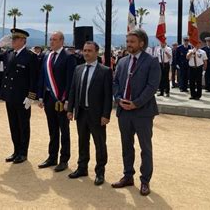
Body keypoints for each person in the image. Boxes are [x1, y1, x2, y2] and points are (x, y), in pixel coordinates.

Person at [112, 28, 161, 197]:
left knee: (145, 147)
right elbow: (116, 82)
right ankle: (128, 176)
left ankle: (145, 180)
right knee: (126, 145)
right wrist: (119, 99)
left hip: (143, 112)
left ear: (142, 43)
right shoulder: (122, 61)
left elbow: (152, 86)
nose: (128, 45)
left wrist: (136, 103)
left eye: (132, 42)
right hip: (123, 111)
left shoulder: (151, 61)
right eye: (127, 42)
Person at [66, 41, 112, 186]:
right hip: (81, 113)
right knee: (82, 141)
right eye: (85, 50)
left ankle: (100, 172)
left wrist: (106, 115)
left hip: (97, 115)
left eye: (89, 51)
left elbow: (107, 95)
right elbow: (73, 90)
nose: (86, 53)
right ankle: (82, 168)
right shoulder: (78, 69)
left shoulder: (105, 71)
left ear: (96, 52)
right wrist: (70, 109)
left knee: (99, 144)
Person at [0, 28, 38, 164]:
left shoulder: (31, 56)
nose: (12, 41)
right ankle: (16, 150)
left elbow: (33, 78)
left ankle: (23, 153)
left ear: (23, 40)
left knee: (23, 125)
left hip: (23, 97)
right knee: (13, 125)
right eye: (12, 39)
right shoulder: (9, 53)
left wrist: (31, 96)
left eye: (15, 39)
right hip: (10, 96)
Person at [37, 31, 76, 172]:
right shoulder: (47, 56)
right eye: (50, 39)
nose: (51, 42)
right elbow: (42, 77)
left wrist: (66, 100)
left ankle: (64, 159)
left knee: (64, 130)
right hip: (48, 99)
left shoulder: (69, 57)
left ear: (62, 41)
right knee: (52, 130)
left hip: (61, 100)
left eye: (54, 39)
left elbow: (70, 81)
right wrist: (40, 96)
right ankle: (52, 157)